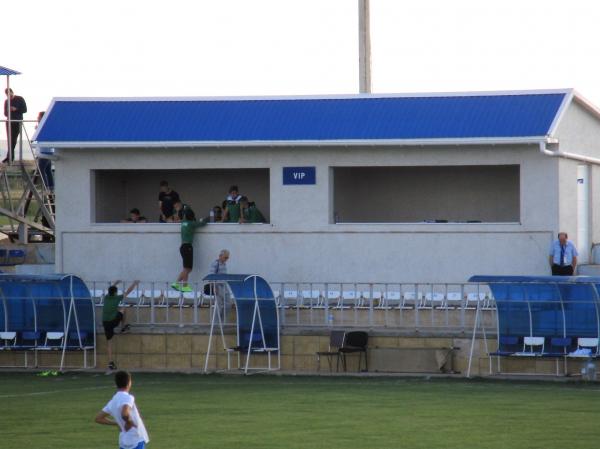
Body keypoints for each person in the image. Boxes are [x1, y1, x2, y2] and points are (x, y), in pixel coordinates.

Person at [95, 370, 150, 449]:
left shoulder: (113, 401)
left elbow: (98, 418)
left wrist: (117, 423)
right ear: (129, 383)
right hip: (135, 438)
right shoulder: (128, 397)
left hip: (123, 441)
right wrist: (129, 422)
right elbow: (125, 413)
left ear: (116, 384)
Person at [103, 280, 139, 370]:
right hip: (112, 321)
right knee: (124, 309)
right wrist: (134, 283)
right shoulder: (116, 298)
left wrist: (115, 283)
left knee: (109, 342)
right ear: (115, 293)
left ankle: (110, 363)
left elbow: (110, 290)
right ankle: (123, 327)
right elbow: (128, 291)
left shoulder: (106, 297)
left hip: (105, 322)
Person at [172, 207, 208, 292]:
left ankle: (185, 285)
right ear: (192, 216)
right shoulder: (192, 223)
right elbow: (202, 224)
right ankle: (177, 283)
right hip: (188, 246)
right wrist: (207, 219)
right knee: (188, 268)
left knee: (186, 267)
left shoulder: (183, 222)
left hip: (183, 247)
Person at [3, 88, 27, 163]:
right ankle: (10, 157)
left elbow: (25, 110)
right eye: (7, 95)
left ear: (12, 92)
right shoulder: (6, 101)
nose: (9, 96)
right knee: (9, 140)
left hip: (17, 121)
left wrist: (16, 109)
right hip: (9, 122)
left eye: (9, 94)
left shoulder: (20, 99)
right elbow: (5, 113)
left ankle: (9, 157)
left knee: (13, 139)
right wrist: (9, 110)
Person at [35, 111, 55, 190]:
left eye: (38, 116)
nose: (37, 118)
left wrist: (37, 129)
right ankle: (51, 186)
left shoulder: (42, 125)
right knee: (48, 170)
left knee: (41, 169)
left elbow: (38, 136)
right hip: (50, 150)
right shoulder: (48, 124)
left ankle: (46, 186)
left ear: (41, 117)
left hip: (44, 151)